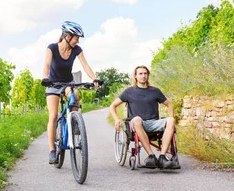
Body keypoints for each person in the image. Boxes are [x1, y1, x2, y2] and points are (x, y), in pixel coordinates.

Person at [41, 21, 99, 164]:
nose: (78, 41)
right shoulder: (52, 48)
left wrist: (94, 78)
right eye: (76, 37)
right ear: (67, 36)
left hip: (67, 82)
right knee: (53, 115)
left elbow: (85, 65)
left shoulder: (76, 49)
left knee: (75, 96)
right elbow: (47, 64)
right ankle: (52, 151)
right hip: (53, 84)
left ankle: (74, 122)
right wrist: (45, 78)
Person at [109, 65, 178, 169]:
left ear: (148, 75)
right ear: (135, 76)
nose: (143, 76)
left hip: (153, 122)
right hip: (137, 124)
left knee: (171, 120)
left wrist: (171, 119)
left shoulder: (155, 91)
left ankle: (162, 157)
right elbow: (113, 106)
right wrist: (116, 119)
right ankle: (151, 156)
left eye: (145, 73)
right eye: (140, 74)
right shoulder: (129, 91)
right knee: (137, 119)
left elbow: (169, 104)